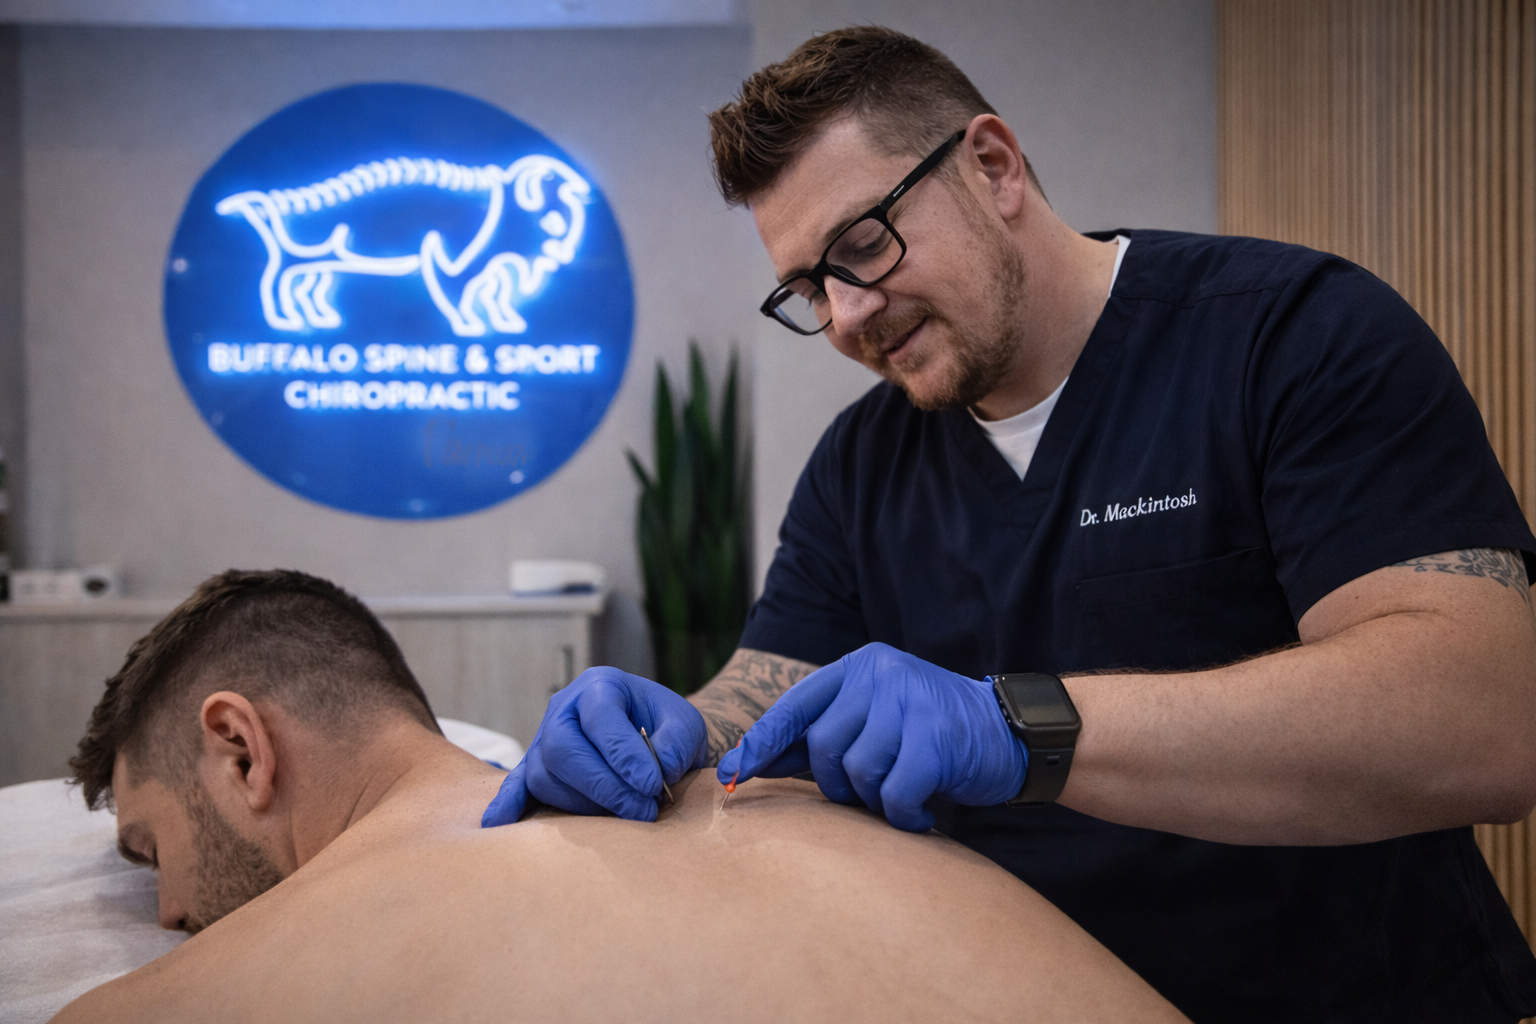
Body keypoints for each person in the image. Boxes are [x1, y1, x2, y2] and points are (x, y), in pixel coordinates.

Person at [482, 25, 1536, 1022]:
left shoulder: (1292, 337)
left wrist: (1018, 726)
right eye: (808, 288)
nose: (845, 316)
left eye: (863, 243)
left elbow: (1489, 717)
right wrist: (664, 732)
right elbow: (770, 687)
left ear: (993, 166)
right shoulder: (864, 463)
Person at [51, 568, 1186, 1023]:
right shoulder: (792, 812)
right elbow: (748, 688)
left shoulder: (313, 947)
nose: (164, 917)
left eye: (152, 849)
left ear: (241, 750)